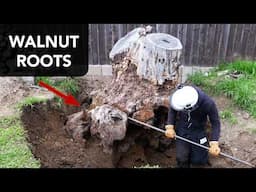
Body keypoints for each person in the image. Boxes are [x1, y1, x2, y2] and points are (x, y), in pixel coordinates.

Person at [165, 84, 221, 168]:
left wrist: (214, 142)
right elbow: (173, 109)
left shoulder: (208, 103)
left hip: (199, 131)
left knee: (199, 160)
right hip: (182, 130)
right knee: (181, 157)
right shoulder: (179, 97)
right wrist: (169, 126)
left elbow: (215, 123)